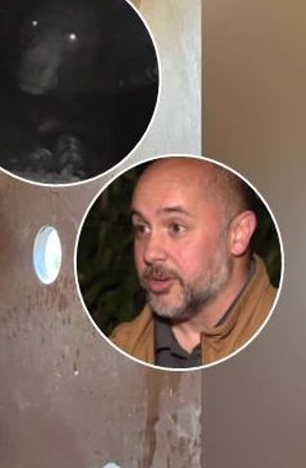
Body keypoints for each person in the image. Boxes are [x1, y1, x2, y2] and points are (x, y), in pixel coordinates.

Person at [110, 157, 277, 368]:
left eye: (176, 228)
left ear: (238, 234)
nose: (150, 253)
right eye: (142, 228)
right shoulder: (119, 350)